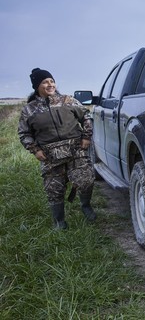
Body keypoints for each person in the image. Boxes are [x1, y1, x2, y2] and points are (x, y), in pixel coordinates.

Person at [18, 68, 96, 229]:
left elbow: (86, 117)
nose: (50, 84)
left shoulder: (68, 100)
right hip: (49, 156)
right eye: (45, 82)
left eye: (52, 81)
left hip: (76, 151)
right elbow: (24, 133)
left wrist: (86, 137)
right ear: (37, 86)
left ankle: (86, 206)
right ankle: (60, 222)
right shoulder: (29, 110)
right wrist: (35, 150)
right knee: (54, 188)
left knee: (86, 180)